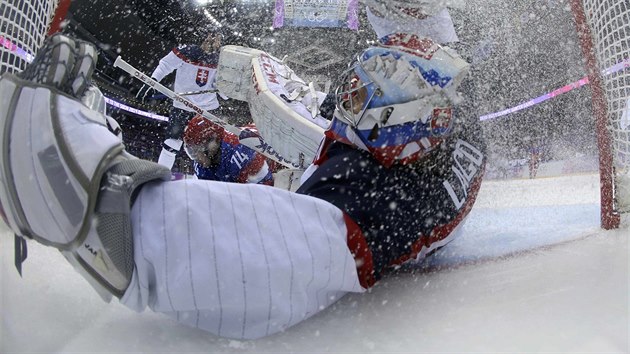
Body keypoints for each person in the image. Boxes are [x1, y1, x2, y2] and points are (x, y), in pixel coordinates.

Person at [0, 33, 485, 340]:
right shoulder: (442, 141)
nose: (347, 97)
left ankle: (86, 200)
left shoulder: (363, 202)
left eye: (364, 93)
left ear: (394, 123)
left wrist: (103, 205)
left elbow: (250, 258)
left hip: (321, 226)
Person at [137, 31, 224, 170]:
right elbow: (165, 64)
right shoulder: (186, 51)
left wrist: (226, 89)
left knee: (210, 149)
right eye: (212, 37)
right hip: (182, 105)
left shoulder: (222, 59)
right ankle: (159, 176)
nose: (215, 42)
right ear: (205, 37)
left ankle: (205, 182)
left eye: (218, 39)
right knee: (171, 144)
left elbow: (223, 90)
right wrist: (152, 81)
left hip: (208, 109)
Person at [183, 115, 274, 185]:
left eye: (198, 150)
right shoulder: (201, 164)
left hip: (279, 162)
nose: (197, 157)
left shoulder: (243, 152)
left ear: (215, 140)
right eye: (192, 152)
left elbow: (264, 195)